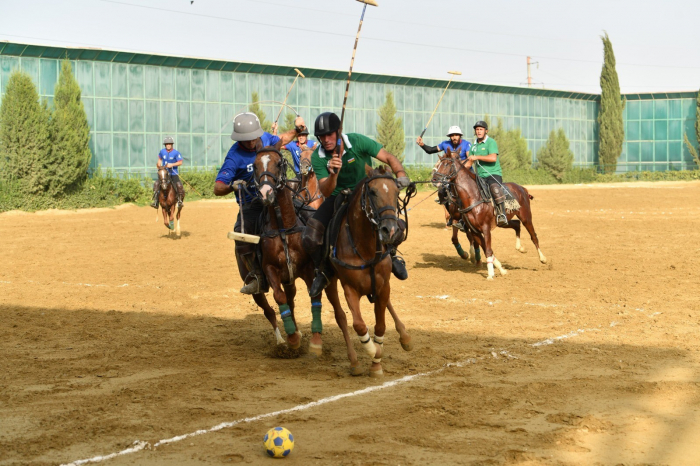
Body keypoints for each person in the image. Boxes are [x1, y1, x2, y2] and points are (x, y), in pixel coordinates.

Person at [302, 112, 411, 297]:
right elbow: (326, 191)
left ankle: (392, 255)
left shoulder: (357, 141)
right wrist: (333, 174)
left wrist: (400, 174)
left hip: (367, 193)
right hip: (338, 196)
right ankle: (324, 270)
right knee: (311, 236)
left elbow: (389, 157)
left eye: (330, 134)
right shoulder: (318, 157)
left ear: (339, 131)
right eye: (321, 136)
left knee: (395, 223)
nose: (326, 140)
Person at [214, 112, 306, 295]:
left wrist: (297, 130)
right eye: (246, 140)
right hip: (253, 203)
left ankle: (318, 262)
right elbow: (218, 187)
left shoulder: (264, 138)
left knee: (307, 214)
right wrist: (232, 186)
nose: (251, 143)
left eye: (253, 138)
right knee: (243, 233)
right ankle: (256, 275)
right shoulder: (234, 155)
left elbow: (281, 138)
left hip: (279, 196)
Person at [465, 120, 508, 227]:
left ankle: (502, 214)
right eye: (477, 129)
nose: (479, 131)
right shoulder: (474, 146)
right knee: (468, 191)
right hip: (479, 177)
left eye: (481, 129)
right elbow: (469, 163)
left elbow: (493, 158)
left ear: (486, 131)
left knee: (494, 188)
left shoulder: (491, 142)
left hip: (493, 174)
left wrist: (477, 157)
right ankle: (464, 218)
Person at [150, 136, 185, 209]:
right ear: (165, 145)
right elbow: (159, 160)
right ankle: (156, 201)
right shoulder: (162, 151)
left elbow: (180, 162)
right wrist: (159, 166)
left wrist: (172, 164)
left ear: (172, 144)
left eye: (169, 144)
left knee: (179, 185)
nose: (168, 145)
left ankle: (179, 201)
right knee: (156, 184)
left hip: (173, 173)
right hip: (164, 174)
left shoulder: (176, 153)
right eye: (167, 144)